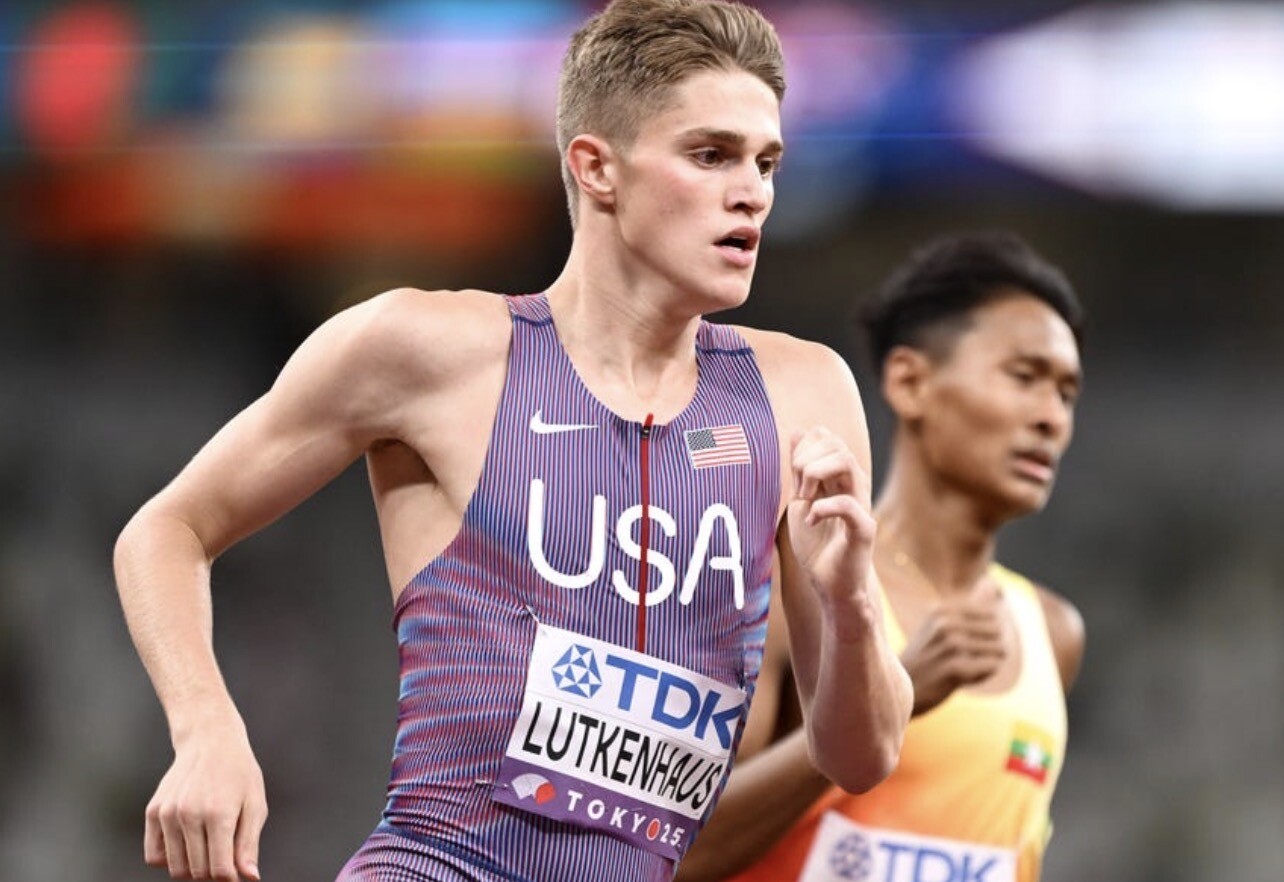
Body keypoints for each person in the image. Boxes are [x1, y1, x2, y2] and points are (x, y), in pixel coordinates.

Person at [112, 2, 913, 881]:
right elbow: (167, 530)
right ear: (596, 168)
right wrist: (206, 729)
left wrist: (848, 601)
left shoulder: (804, 394)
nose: (753, 191)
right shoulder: (430, 350)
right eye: (711, 154)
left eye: (766, 162)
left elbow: (861, 756)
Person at [675, 231, 1087, 882]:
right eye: (1024, 377)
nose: (1050, 417)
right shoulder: (790, 589)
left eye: (1066, 393)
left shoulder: (1052, 633)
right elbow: (672, 851)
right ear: (909, 381)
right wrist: (885, 703)